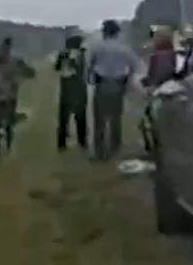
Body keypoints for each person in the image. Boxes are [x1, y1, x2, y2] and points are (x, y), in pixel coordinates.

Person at [88, 19, 137, 161]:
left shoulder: (97, 47)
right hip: (118, 86)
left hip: (101, 84)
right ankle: (115, 147)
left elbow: (89, 65)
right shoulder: (124, 49)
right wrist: (127, 80)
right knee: (116, 118)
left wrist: (90, 79)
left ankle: (99, 151)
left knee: (100, 120)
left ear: (104, 32)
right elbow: (134, 66)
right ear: (117, 33)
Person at [0, 37, 34, 158]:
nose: (3, 53)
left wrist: (21, 73)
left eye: (6, 49)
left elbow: (31, 73)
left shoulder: (15, 61)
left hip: (9, 98)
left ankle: (8, 148)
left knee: (8, 124)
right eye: (2, 50)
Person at [52, 33, 90, 153]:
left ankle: (80, 141)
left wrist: (71, 59)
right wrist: (63, 57)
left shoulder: (81, 55)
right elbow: (57, 68)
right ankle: (65, 142)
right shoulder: (67, 55)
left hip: (73, 86)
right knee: (66, 118)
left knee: (77, 118)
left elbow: (80, 70)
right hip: (71, 87)